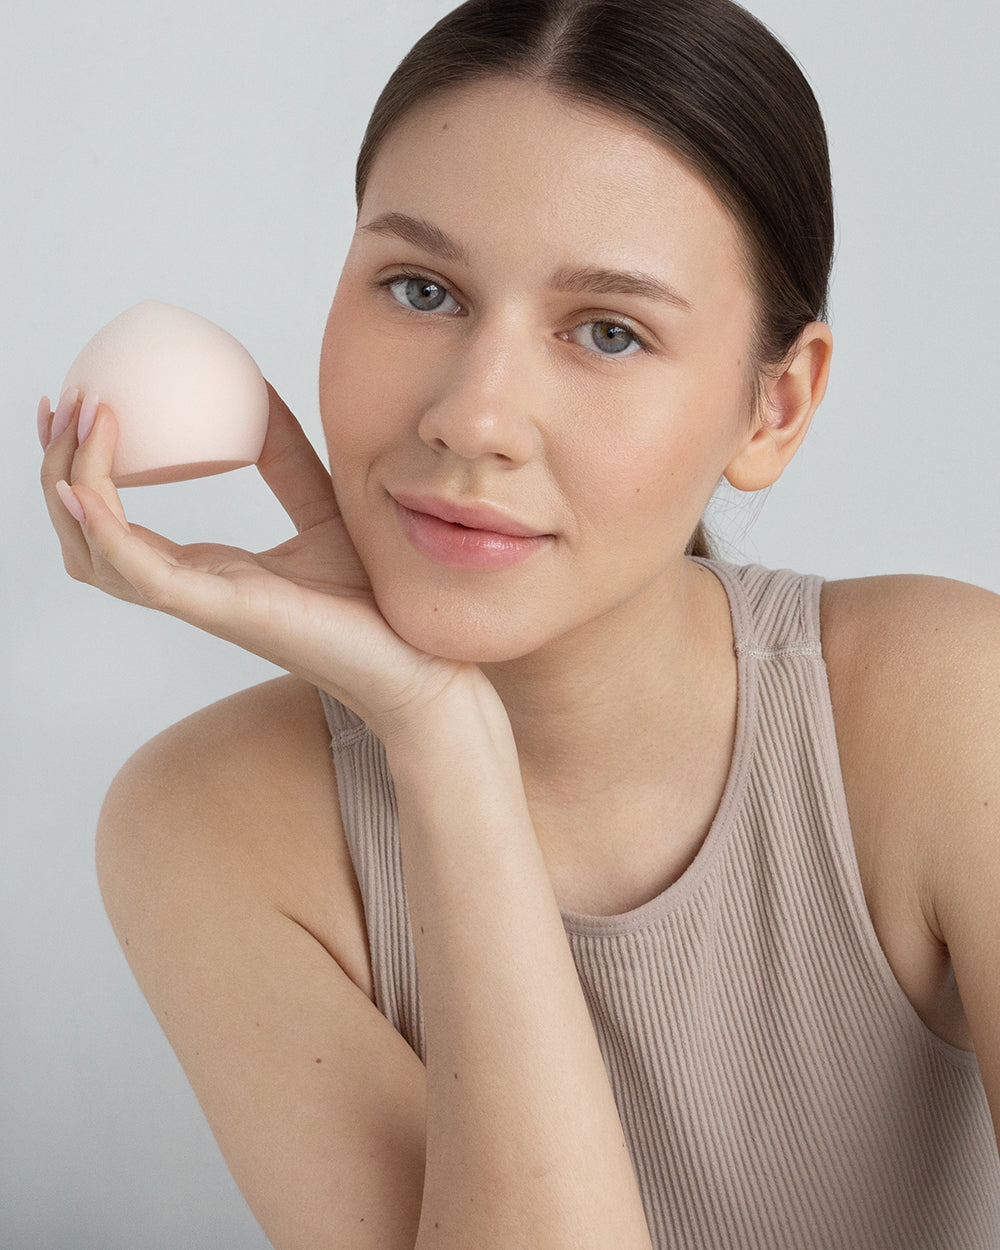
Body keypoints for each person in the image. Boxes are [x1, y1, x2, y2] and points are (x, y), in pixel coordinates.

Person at [38, 0, 1000, 1246]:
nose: (473, 417)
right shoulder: (208, 822)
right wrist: (440, 734)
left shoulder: (944, 707)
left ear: (774, 406)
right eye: (421, 288)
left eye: (608, 331)